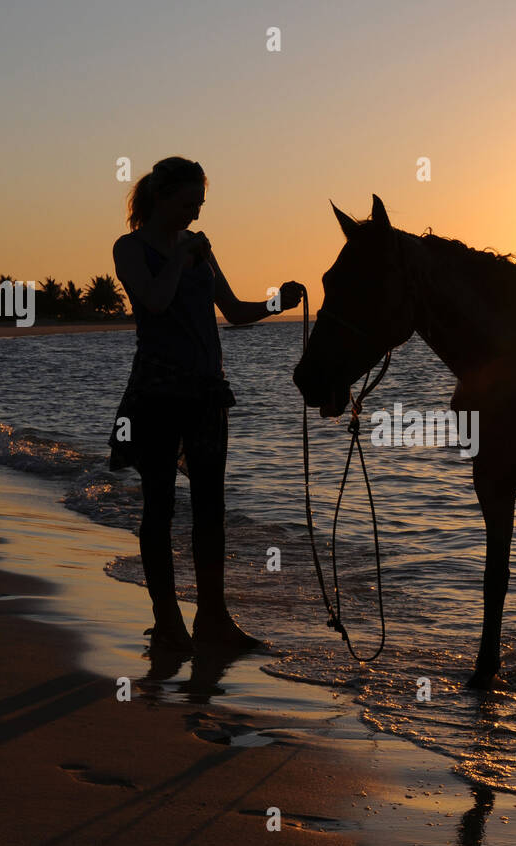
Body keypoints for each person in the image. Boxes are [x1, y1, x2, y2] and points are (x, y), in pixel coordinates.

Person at [108, 156, 302, 654]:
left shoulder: (200, 248)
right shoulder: (130, 248)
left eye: (201, 204)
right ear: (161, 198)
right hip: (155, 394)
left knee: (211, 509)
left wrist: (279, 302)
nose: (196, 213)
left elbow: (233, 311)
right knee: (159, 507)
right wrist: (181, 258)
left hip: (205, 392)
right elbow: (152, 300)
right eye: (189, 203)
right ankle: (168, 621)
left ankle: (214, 619)